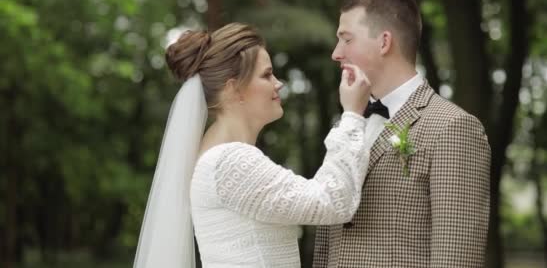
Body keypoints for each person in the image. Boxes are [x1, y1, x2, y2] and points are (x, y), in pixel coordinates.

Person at [133, 22, 372, 267]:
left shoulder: (215, 157)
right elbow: (334, 202)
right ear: (233, 89)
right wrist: (353, 115)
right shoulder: (230, 161)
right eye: (267, 75)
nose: (278, 83)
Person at [313, 0, 492, 267]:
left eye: (346, 40)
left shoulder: (452, 128)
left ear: (384, 42)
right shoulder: (347, 126)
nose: (336, 53)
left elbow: (456, 257)